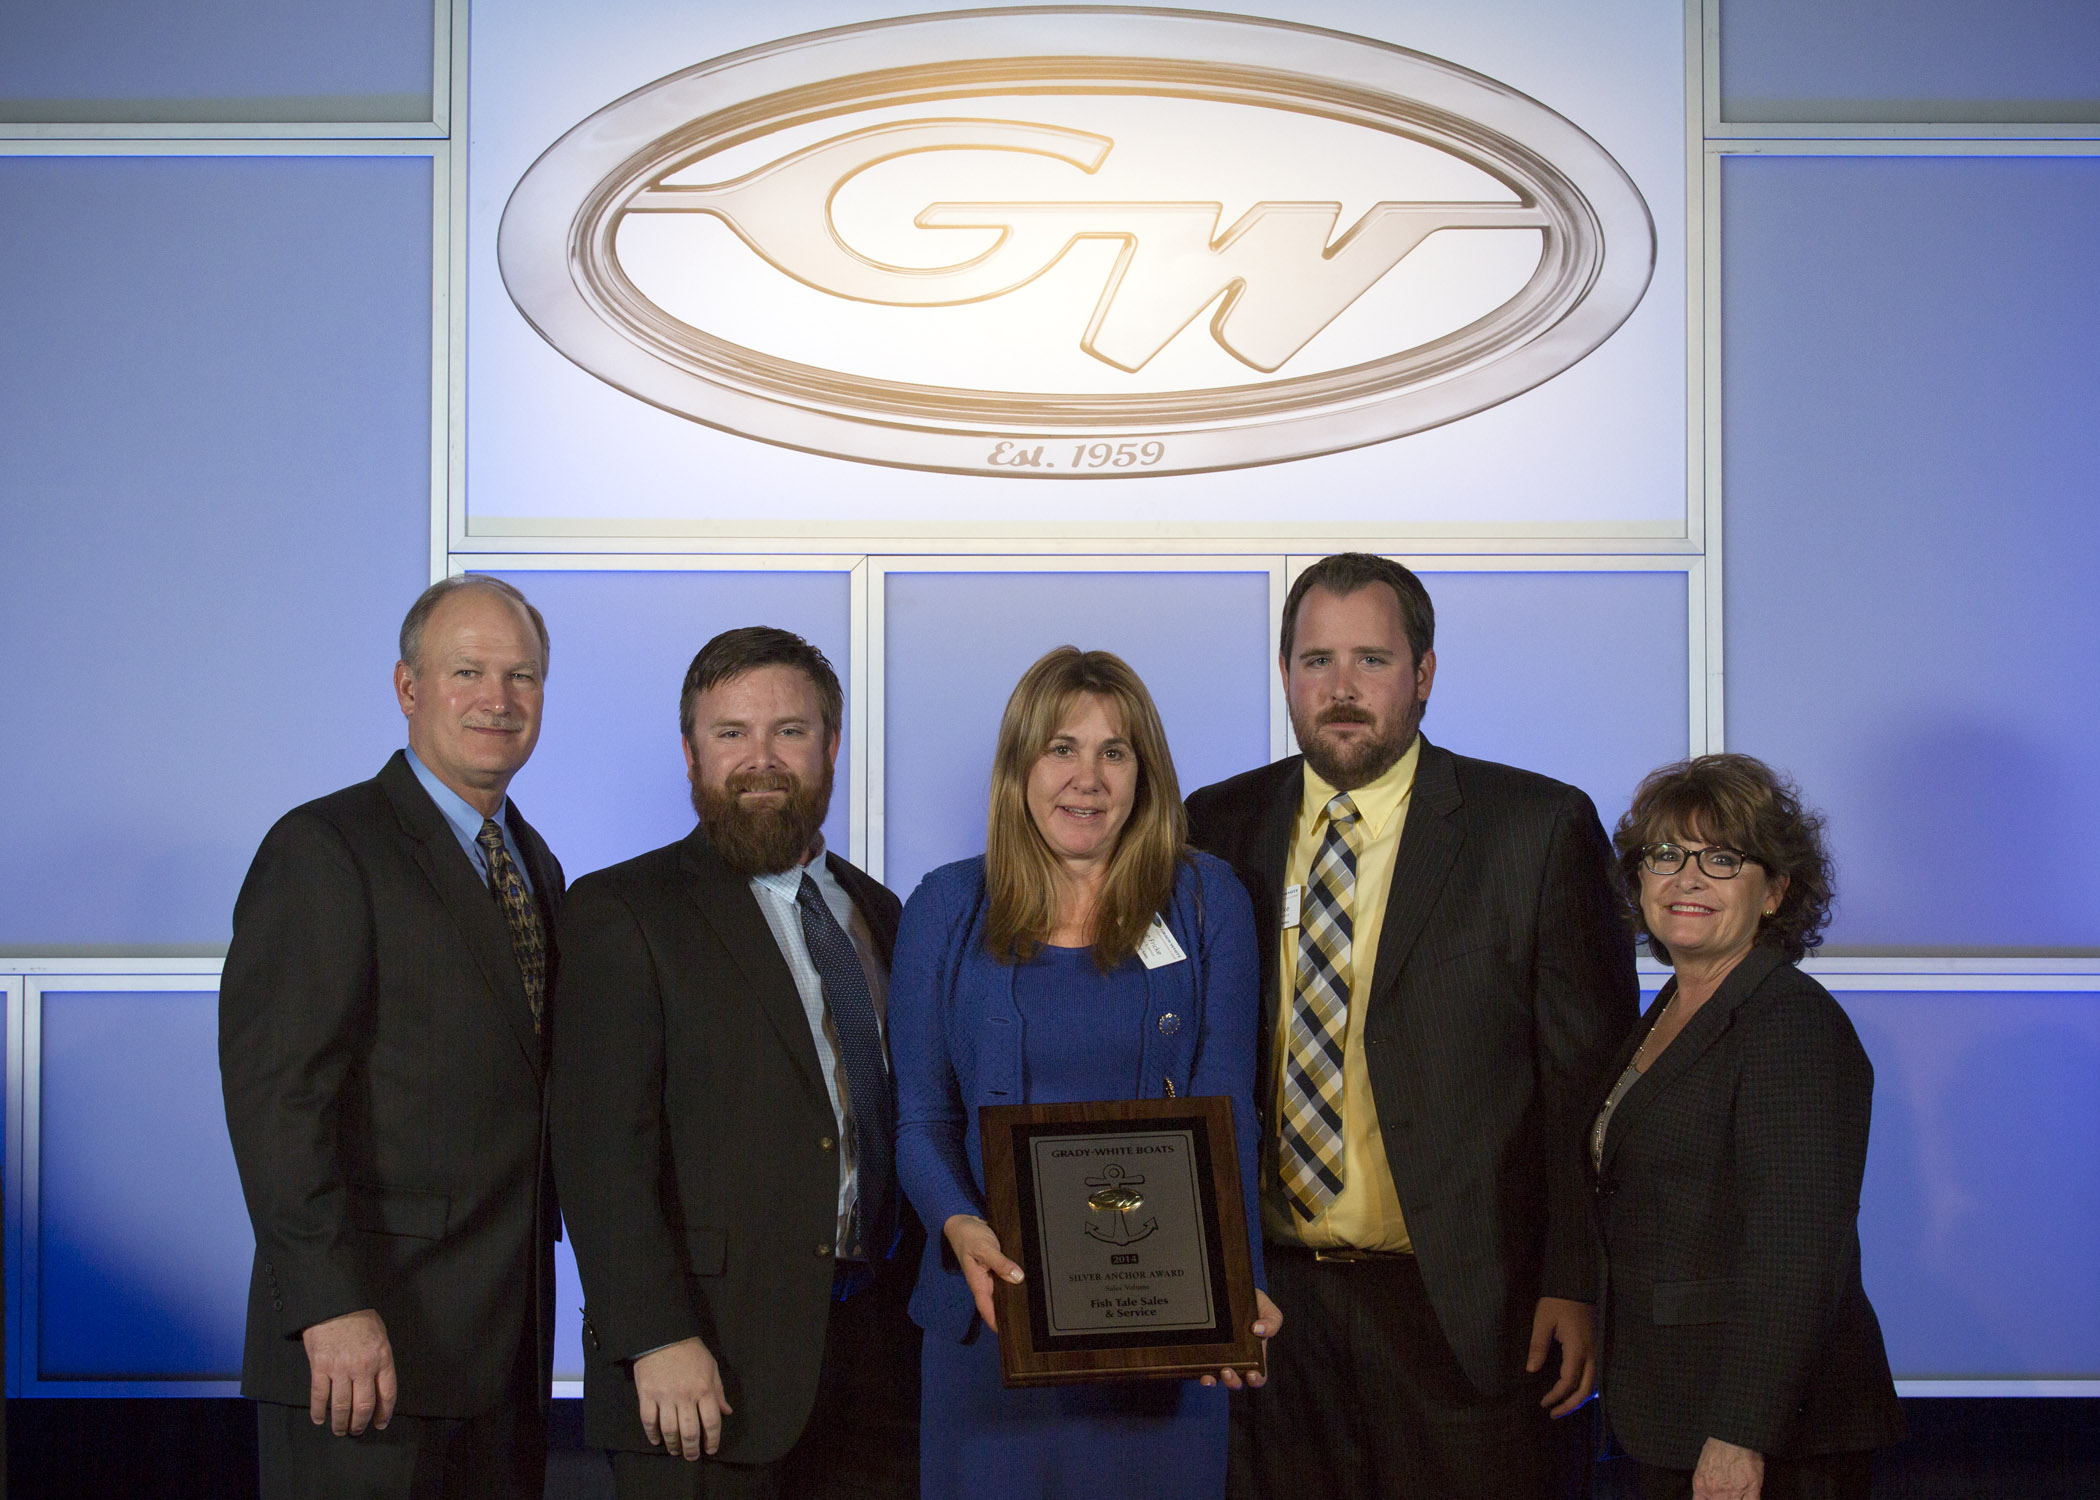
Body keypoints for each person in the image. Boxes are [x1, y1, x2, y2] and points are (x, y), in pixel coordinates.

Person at [1184, 552, 1639, 1499]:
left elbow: (1584, 1090)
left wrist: (1576, 1279)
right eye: (1316, 663)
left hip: (1466, 1310)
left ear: (1424, 675)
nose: (1340, 690)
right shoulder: (1216, 825)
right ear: (1284, 676)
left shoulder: (1535, 828)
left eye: (1371, 661)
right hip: (1275, 1311)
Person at [890, 646, 1280, 1500]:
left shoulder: (1208, 899)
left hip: (1167, 1322)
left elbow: (1229, 1111)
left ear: (1146, 772)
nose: (1087, 778)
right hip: (989, 1326)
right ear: (1020, 766)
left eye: (1115, 751)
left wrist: (1237, 1280)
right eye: (1061, 748)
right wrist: (960, 1228)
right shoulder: (945, 906)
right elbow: (920, 1123)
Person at [551, 626, 921, 1500]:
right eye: (731, 734)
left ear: (831, 747)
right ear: (690, 753)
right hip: (700, 1369)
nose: (762, 759)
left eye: (789, 732)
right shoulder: (621, 910)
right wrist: (653, 1336)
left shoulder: (880, 911)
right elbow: (600, 1152)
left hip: (875, 1363)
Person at [220, 575, 564, 1500]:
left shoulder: (534, 862)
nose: (498, 699)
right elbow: (278, 1102)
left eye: (522, 675)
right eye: (468, 671)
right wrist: (328, 1306)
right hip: (362, 1351)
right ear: (409, 688)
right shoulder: (325, 848)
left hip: (503, 1357)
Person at [1589, 755, 1904, 1500]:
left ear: (1776, 892)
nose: (1686, 878)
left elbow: (1796, 1251)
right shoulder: (1669, 1009)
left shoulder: (1787, 1022)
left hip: (1760, 1440)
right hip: (1666, 1411)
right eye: (1665, 854)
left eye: (1722, 859)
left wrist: (1741, 1436)